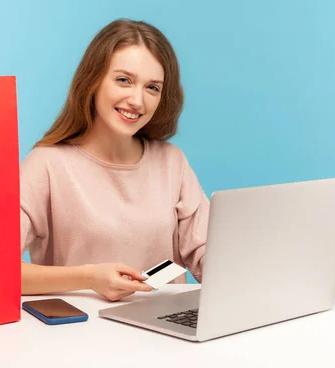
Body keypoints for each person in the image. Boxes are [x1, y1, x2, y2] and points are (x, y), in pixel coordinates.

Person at [20, 18, 209, 301]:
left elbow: (208, 254)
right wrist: (88, 278)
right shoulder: (46, 164)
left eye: (152, 88)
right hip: (81, 333)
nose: (137, 100)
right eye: (124, 80)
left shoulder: (172, 162)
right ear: (93, 80)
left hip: (167, 331)